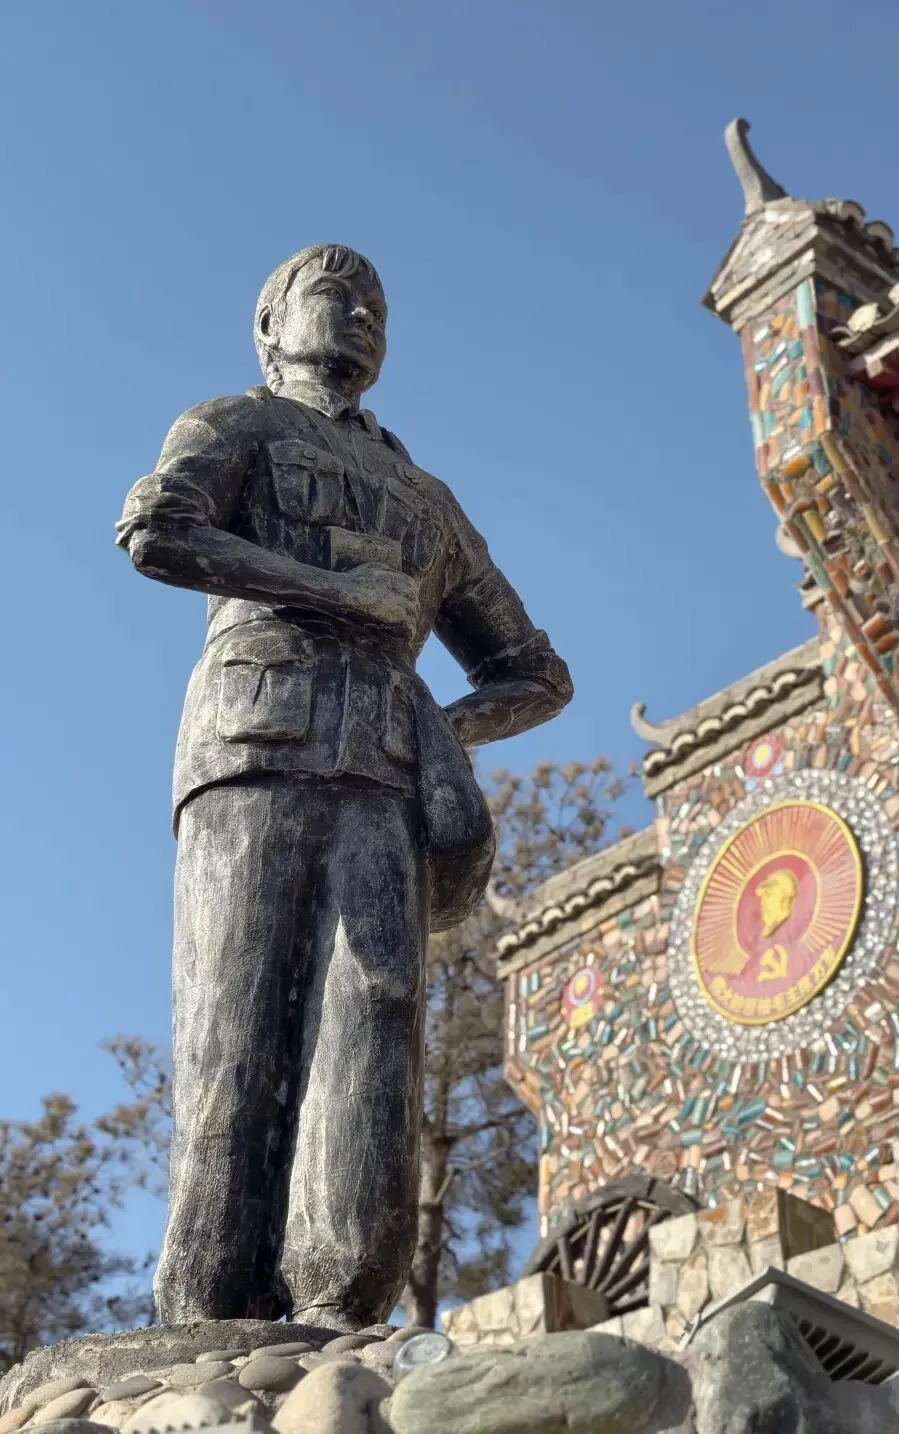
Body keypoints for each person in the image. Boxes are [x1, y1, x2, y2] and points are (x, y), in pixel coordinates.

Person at [116, 244, 573, 1329]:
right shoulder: (236, 423)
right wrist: (330, 591)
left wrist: (442, 730)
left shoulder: (426, 500)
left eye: (378, 303)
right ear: (268, 324)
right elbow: (154, 531)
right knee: (233, 1017)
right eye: (336, 293)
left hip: (384, 775)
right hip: (252, 743)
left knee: (373, 1017)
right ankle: (207, 1308)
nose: (363, 313)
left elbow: (536, 672)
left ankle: (342, 1302)